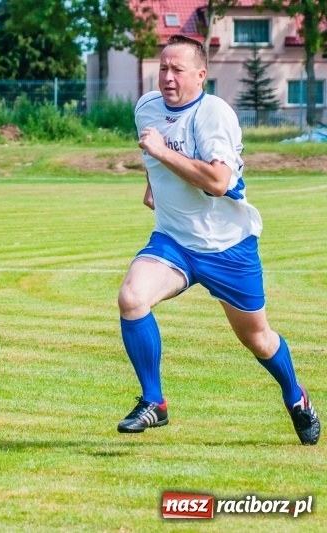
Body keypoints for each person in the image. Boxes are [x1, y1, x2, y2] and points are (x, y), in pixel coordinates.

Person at [116, 34, 320, 445]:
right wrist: (152, 183)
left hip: (228, 246)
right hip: (173, 240)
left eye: (177, 70)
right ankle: (155, 402)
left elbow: (217, 182)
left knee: (258, 339)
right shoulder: (146, 108)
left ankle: (296, 397)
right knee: (132, 298)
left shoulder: (215, 115)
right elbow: (151, 152)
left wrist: (161, 155)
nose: (167, 77)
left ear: (201, 76)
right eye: (163, 68)